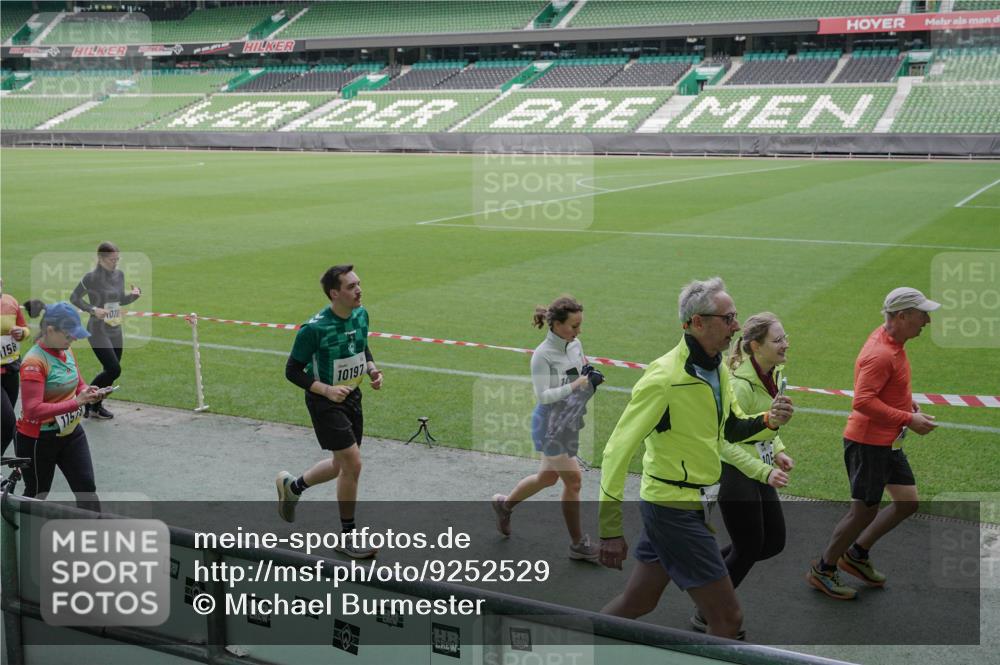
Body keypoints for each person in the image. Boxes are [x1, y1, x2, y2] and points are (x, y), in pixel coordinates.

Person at [598, 277, 793, 640]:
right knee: (728, 619)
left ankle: (575, 644)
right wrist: (610, 529)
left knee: (638, 600)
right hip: (672, 509)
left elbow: (730, 428)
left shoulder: (718, 367)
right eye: (729, 318)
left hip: (693, 504)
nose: (736, 326)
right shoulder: (664, 379)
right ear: (698, 322)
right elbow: (616, 450)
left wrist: (768, 420)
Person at [808, 287, 939, 600]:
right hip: (868, 444)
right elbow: (863, 401)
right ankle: (823, 569)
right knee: (862, 512)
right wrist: (908, 419)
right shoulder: (879, 353)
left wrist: (909, 405)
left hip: (888, 441)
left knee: (907, 502)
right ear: (902, 315)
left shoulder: (894, 342)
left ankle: (856, 555)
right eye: (922, 314)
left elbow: (888, 388)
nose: (927, 321)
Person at [690, 312, 794, 632]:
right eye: (778, 340)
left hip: (758, 467)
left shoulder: (772, 372)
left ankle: (706, 578)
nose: (785, 344)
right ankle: (709, 612)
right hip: (732, 471)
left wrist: (778, 451)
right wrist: (764, 472)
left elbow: (764, 423)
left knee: (772, 542)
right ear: (754, 347)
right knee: (748, 547)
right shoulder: (738, 383)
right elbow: (724, 443)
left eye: (785, 337)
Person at [275, 265, 383, 559]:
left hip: (352, 396)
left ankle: (293, 487)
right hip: (325, 401)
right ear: (335, 294)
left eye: (359, 283)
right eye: (351, 286)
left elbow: (362, 345)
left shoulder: (361, 314)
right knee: (353, 463)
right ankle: (348, 537)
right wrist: (326, 390)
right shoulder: (314, 329)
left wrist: (371, 368)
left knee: (341, 466)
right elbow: (292, 371)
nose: (359, 290)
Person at [491, 296, 604, 562]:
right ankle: (577, 544)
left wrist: (589, 377)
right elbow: (544, 396)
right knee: (574, 481)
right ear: (555, 324)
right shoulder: (542, 356)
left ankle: (504, 505)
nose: (578, 332)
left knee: (547, 478)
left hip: (568, 419)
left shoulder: (575, 344)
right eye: (573, 326)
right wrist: (577, 385)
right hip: (550, 425)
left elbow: (579, 370)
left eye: (579, 326)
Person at [14, 302, 108, 510]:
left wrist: (88, 391)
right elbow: (33, 409)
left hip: (71, 432)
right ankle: (22, 537)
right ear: (50, 330)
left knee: (86, 486)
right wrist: (77, 402)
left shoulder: (66, 349)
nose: (73, 339)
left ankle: (94, 537)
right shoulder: (34, 363)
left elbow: (78, 382)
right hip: (39, 440)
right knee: (38, 492)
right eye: (68, 335)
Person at [70, 241, 141, 420]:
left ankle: (96, 406)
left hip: (115, 328)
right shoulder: (91, 278)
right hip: (97, 329)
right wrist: (93, 309)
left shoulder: (120, 275)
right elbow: (74, 297)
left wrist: (133, 296)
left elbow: (120, 300)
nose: (115, 262)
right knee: (114, 369)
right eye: (111, 259)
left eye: (117, 259)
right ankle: (85, 400)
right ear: (100, 259)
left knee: (111, 371)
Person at [1, 279, 31, 455]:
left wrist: (22, 333)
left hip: (11, 371)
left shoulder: (11, 302)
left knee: (5, 423)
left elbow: (24, 329)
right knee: (8, 423)